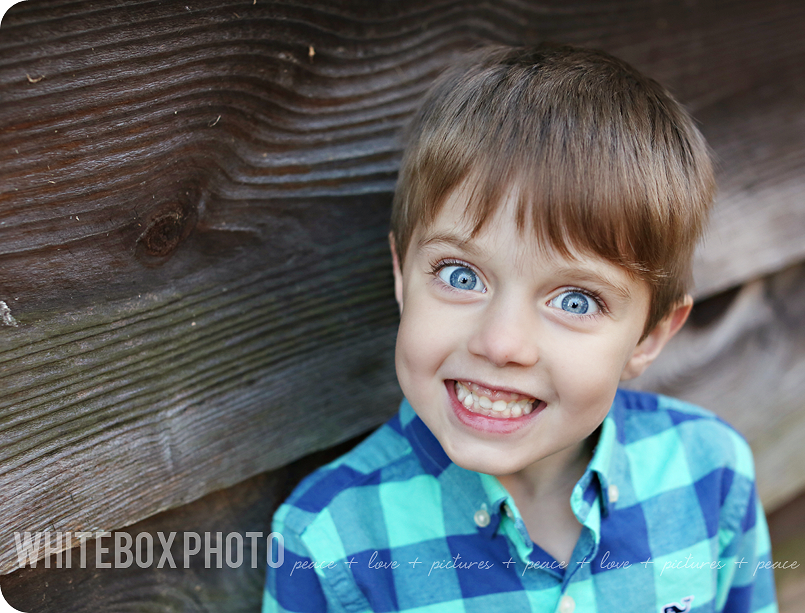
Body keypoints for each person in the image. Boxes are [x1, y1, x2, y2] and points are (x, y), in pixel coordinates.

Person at [263, 44, 777, 613]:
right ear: (402, 276)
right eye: (461, 275)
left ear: (650, 336)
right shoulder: (327, 540)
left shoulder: (712, 474)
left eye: (576, 301)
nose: (501, 343)